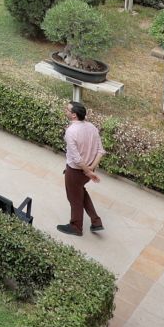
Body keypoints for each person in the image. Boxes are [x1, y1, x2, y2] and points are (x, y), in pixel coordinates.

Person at [59, 100, 105, 236]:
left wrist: (88, 171)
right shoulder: (92, 127)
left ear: (74, 115)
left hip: (76, 172)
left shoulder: (71, 132)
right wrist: (91, 169)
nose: (65, 111)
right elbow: (100, 151)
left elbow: (77, 159)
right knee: (81, 193)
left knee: (74, 199)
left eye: (67, 109)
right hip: (87, 171)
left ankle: (76, 227)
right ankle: (96, 222)